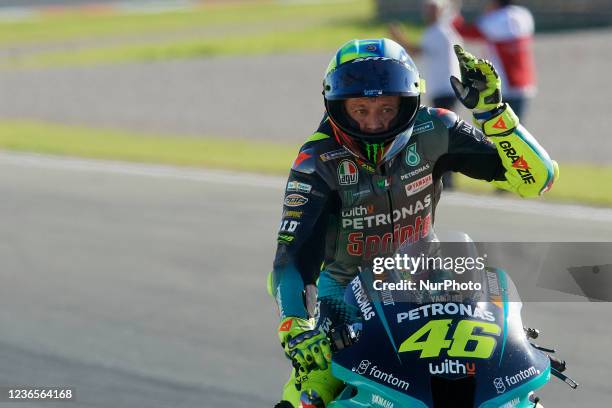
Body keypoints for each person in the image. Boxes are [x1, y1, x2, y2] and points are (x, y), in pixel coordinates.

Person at [268, 38, 557, 408]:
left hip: (432, 282)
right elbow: (291, 257)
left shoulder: (436, 129)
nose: (373, 123)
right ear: (337, 107)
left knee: (510, 392)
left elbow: (537, 180)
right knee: (309, 394)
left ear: (409, 103)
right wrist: (295, 327)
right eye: (360, 109)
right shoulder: (316, 159)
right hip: (344, 301)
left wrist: (495, 114)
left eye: (387, 108)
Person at [389, 0, 462, 190]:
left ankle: (448, 178)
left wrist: (398, 37)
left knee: (442, 134)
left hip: (444, 88)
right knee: (444, 133)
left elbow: (415, 51)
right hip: (447, 88)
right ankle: (448, 177)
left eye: (431, 10)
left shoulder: (436, 32)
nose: (427, 13)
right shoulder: (444, 30)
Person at [453, 0, 536, 119]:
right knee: (516, 128)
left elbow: (464, 31)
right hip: (525, 84)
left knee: (497, 131)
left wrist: (453, 11)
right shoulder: (524, 15)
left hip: (502, 86)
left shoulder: (493, 20)